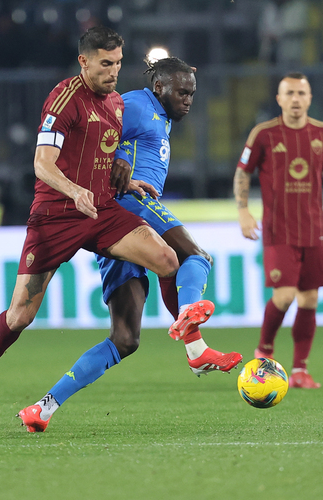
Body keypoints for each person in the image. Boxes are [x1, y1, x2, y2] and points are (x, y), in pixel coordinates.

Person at [0, 26, 180, 431]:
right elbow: (43, 163)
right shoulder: (64, 100)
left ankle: (192, 346)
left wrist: (124, 180)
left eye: (118, 64)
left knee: (166, 258)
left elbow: (98, 155)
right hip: (56, 214)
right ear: (84, 61)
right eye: (105, 64)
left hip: (100, 211)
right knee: (20, 316)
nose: (113, 72)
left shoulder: (114, 103)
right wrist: (75, 191)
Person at [97, 56, 242, 377]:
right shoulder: (135, 104)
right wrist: (118, 159)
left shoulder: (160, 115)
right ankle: (191, 320)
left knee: (125, 339)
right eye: (182, 94)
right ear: (159, 87)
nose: (188, 101)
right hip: (131, 203)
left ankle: (43, 406)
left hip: (117, 224)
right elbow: (97, 134)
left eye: (191, 94)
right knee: (197, 257)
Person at [233, 72, 323, 389]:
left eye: (302, 93)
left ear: (310, 98)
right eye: (290, 93)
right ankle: (263, 354)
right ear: (279, 99)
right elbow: (242, 174)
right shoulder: (264, 134)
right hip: (278, 229)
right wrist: (243, 210)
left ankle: (300, 369)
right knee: (284, 297)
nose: (296, 99)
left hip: (314, 229)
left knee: (310, 299)